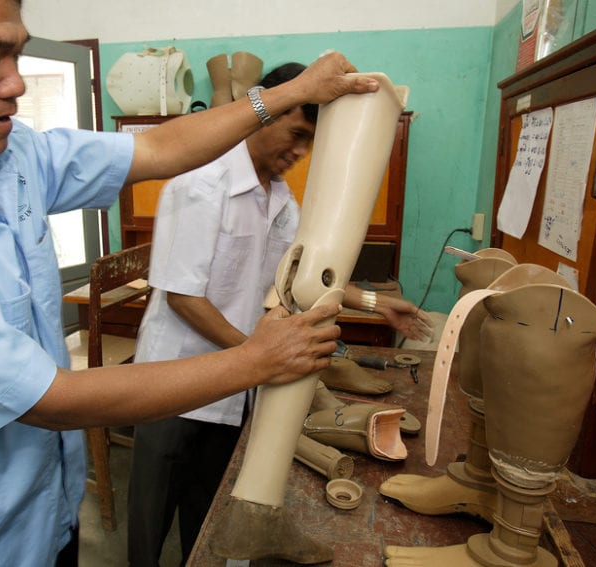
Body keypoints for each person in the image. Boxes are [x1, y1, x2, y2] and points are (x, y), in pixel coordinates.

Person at [0, 2, 383, 565]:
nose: (15, 83)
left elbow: (159, 149)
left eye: (17, 54)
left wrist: (289, 94)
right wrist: (256, 360)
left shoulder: (9, 158)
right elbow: (49, 400)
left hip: (53, 515)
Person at [127, 63, 432, 566]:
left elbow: (305, 278)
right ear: (263, 109)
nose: (299, 151)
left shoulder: (283, 201)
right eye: (296, 133)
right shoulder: (202, 184)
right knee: (150, 521)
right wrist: (256, 357)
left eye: (311, 141)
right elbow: (184, 299)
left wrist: (378, 305)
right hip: (173, 384)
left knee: (207, 509)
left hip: (231, 382)